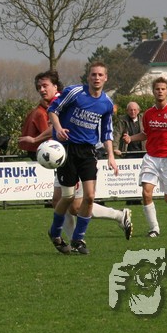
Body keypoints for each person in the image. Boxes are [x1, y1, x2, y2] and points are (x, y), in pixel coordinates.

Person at [45, 61, 127, 255]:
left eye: (100, 75)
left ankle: (78, 239)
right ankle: (55, 232)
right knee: (67, 197)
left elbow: (106, 132)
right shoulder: (74, 92)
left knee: (89, 197)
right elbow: (53, 110)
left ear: (105, 78)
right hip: (67, 150)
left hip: (88, 152)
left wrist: (111, 156)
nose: (96, 78)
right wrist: (58, 129)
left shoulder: (106, 103)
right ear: (88, 77)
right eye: (93, 74)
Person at [122, 77, 167, 237]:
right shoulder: (148, 113)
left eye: (163, 89)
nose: (160, 91)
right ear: (153, 91)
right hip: (151, 158)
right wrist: (131, 138)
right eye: (157, 89)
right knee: (146, 192)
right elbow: (145, 134)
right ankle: (154, 228)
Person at [18, 70, 61, 161]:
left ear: (55, 86)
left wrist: (34, 140)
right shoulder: (55, 102)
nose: (41, 90)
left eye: (45, 86)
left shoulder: (57, 103)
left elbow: (54, 129)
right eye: (39, 87)